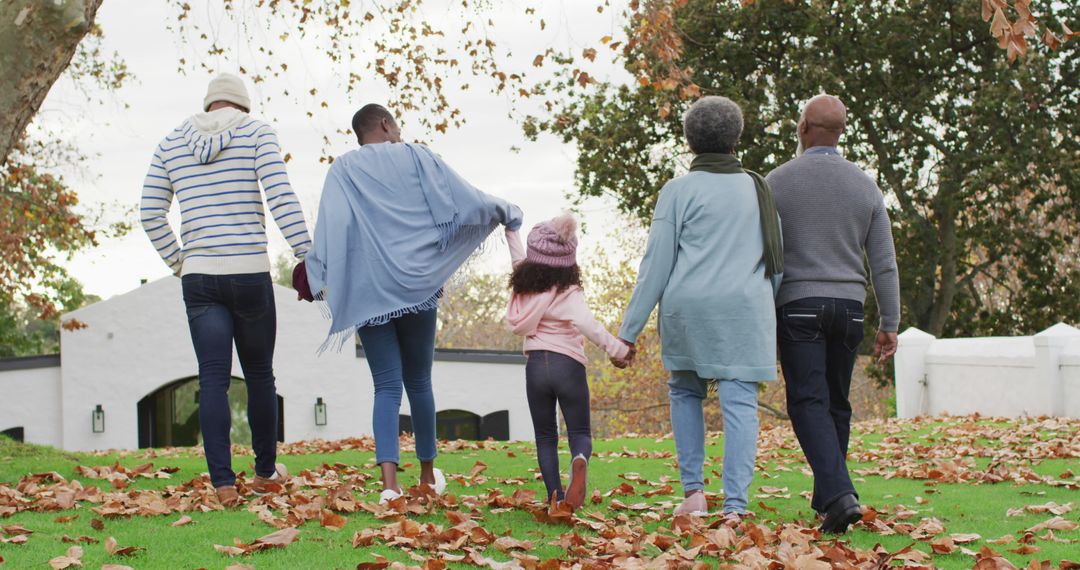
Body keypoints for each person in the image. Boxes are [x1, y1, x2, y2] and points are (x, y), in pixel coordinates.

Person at [303, 104, 523, 504]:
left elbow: (332, 226)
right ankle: (426, 476)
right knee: (419, 381)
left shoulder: (342, 171)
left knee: (385, 386)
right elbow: (464, 199)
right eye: (396, 124)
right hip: (418, 288)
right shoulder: (417, 155)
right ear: (386, 124)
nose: (399, 132)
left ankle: (389, 486)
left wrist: (317, 272)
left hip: (370, 295)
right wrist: (506, 210)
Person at [139, 73, 310, 507]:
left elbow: (150, 212)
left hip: (199, 276)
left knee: (211, 379)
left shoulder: (171, 142)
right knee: (259, 376)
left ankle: (222, 483)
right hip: (249, 271)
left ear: (209, 103)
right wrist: (307, 253)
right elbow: (280, 196)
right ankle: (266, 473)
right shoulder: (256, 132)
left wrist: (179, 260)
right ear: (242, 105)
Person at [616, 96, 783, 522]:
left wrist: (628, 332)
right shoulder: (758, 187)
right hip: (744, 310)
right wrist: (766, 306)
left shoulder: (677, 191)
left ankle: (693, 494)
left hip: (688, 310)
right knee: (739, 404)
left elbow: (656, 265)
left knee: (685, 393)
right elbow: (776, 262)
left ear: (690, 142)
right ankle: (735, 507)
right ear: (736, 138)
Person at [766, 94, 900, 533]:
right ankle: (830, 500)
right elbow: (883, 261)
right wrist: (890, 323)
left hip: (798, 306)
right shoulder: (866, 185)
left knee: (807, 400)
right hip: (849, 309)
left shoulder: (775, 183)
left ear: (803, 127)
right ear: (840, 132)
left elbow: (761, 253)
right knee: (836, 402)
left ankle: (841, 495)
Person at [505, 215, 633, 509]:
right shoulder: (570, 292)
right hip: (568, 366)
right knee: (579, 432)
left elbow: (516, 257)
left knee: (546, 436)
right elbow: (589, 325)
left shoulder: (525, 286)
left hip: (536, 367)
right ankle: (579, 459)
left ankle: (555, 498)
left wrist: (511, 229)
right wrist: (618, 350)